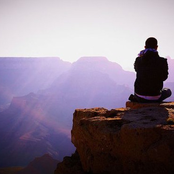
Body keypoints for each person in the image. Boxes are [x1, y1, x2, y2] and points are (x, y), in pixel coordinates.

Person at [129, 37, 172, 103]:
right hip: (155, 96)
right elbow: (164, 77)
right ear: (156, 47)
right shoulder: (162, 61)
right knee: (168, 91)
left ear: (145, 47)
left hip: (139, 96)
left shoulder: (138, 60)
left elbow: (137, 69)